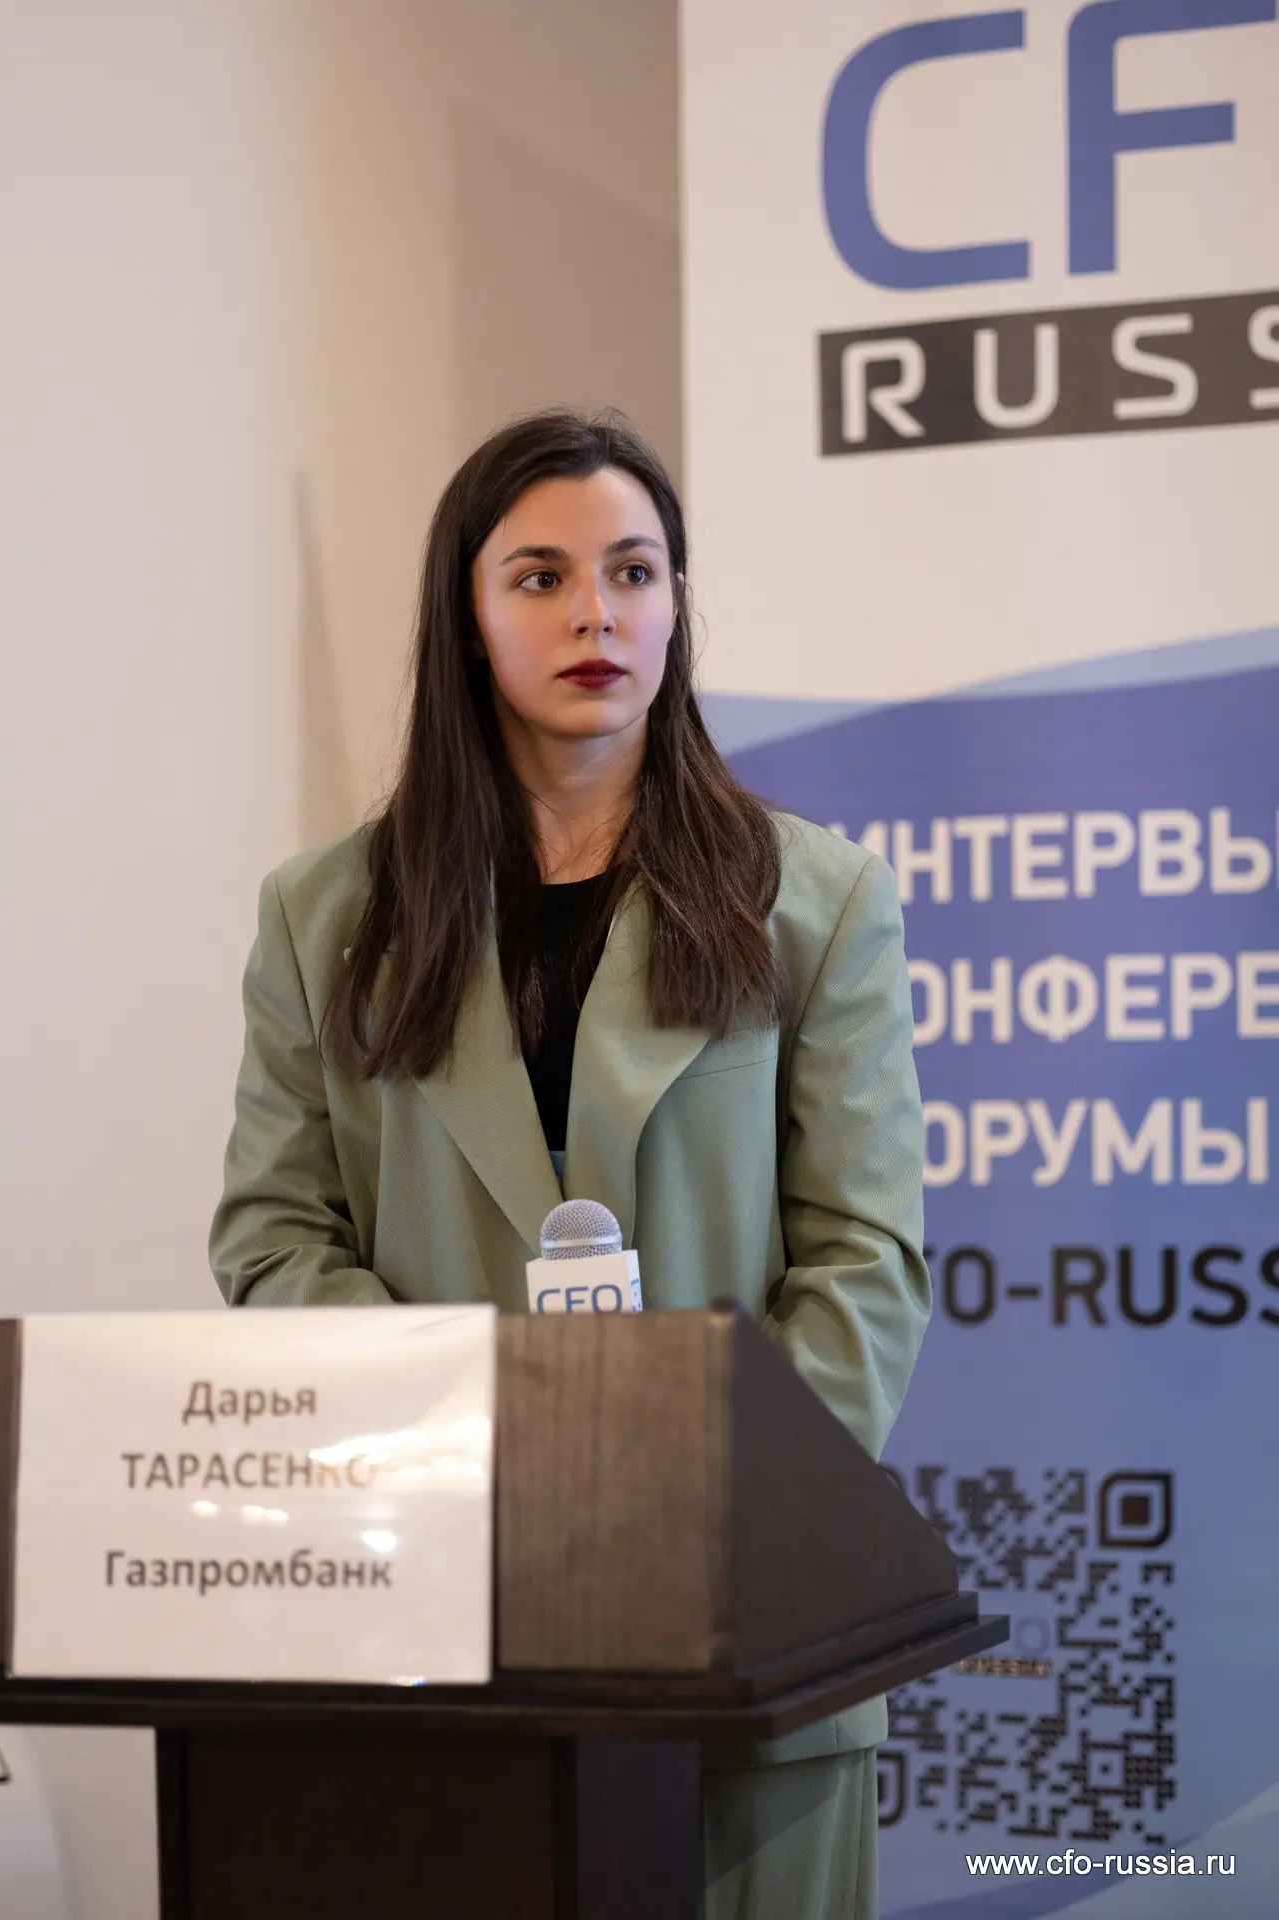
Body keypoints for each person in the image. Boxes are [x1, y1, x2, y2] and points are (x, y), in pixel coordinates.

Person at [210, 407, 930, 1918]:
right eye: (540, 576)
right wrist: (476, 1456)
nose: (596, 612)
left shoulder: (819, 897)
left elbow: (865, 1261)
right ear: (468, 619)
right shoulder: (322, 913)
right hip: (433, 1606)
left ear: (675, 608)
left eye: (634, 571)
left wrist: (700, 1494)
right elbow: (275, 1240)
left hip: (743, 1620)